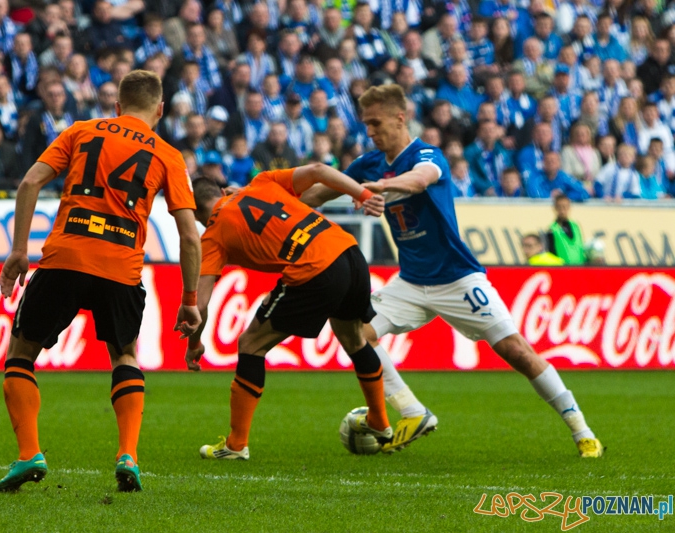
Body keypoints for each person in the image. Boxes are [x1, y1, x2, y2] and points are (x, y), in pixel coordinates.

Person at [301, 84, 603, 458]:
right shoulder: (367, 163)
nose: (370, 132)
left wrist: (381, 186)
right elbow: (319, 192)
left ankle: (581, 430)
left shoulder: (427, 154)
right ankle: (412, 412)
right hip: (410, 282)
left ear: (400, 118)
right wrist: (266, 199)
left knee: (516, 351)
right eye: (366, 124)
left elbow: (420, 178)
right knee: (355, 332)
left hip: (458, 277)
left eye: (376, 123)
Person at [0, 70, 202, 493]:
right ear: (159, 110)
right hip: (121, 265)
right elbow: (189, 234)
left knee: (22, 352)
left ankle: (29, 452)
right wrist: (191, 298)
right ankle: (128, 455)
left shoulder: (81, 131)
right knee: (124, 355)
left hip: (65, 255)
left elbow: (30, 181)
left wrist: (18, 250)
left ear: (118, 106)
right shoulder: (168, 155)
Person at [185, 165, 391, 459]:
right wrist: (364, 194)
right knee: (353, 337)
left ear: (194, 214)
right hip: (348, 251)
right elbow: (319, 170)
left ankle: (236, 445)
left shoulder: (213, 234)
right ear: (221, 191)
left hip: (314, 269)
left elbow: (199, 304)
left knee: (250, 344)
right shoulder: (261, 182)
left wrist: (195, 344)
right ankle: (380, 423)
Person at [545, 194, 587, 265]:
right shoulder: (552, 230)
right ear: (555, 208)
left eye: (565, 206)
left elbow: (580, 247)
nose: (562, 210)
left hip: (579, 268)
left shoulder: (575, 226)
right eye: (559, 207)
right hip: (562, 270)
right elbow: (550, 253)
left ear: (569, 207)